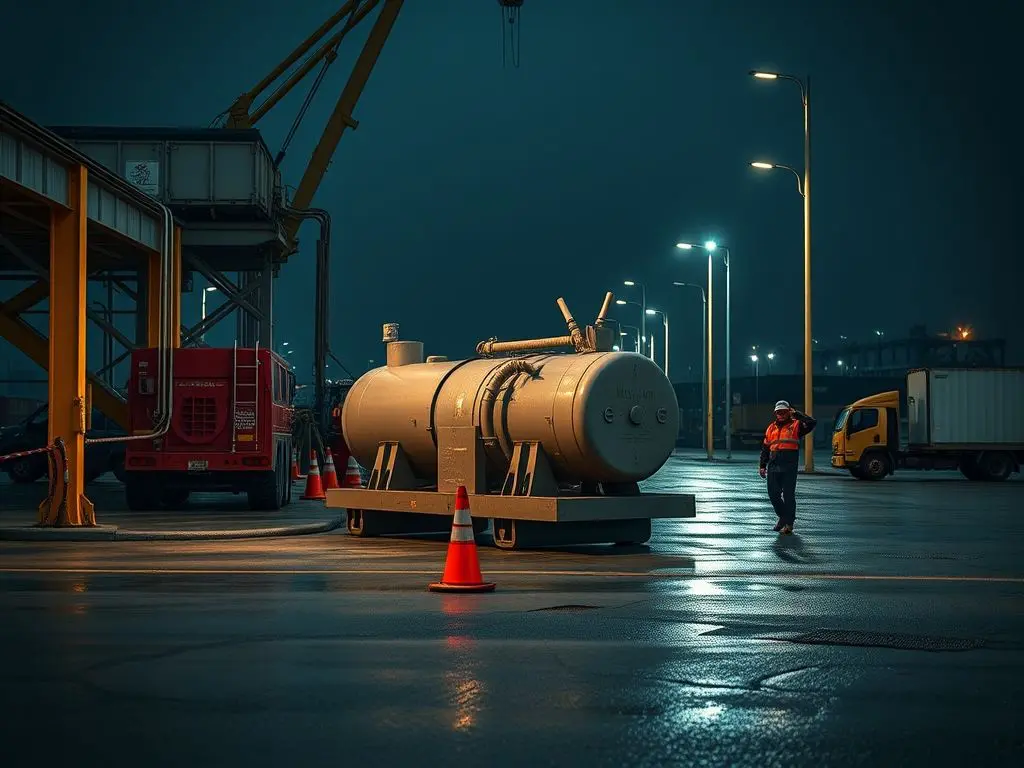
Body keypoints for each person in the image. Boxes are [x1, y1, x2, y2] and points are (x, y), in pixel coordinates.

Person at [758, 400, 817, 534]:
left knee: (789, 496)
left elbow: (812, 423)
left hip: (789, 466)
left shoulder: (797, 425)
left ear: (789, 411)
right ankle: (784, 517)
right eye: (779, 412)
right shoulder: (771, 428)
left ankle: (788, 523)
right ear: (775, 413)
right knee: (773, 494)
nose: (781, 414)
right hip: (774, 465)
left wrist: (797, 414)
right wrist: (762, 465)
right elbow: (765, 448)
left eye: (784, 411)